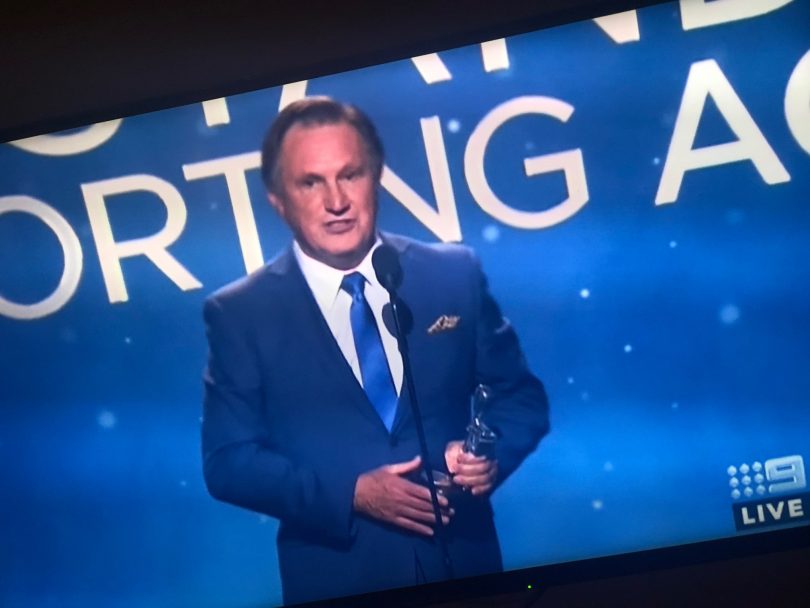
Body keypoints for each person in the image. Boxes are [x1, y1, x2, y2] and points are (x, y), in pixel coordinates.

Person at [201, 97, 549, 605]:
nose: (336, 200)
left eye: (351, 174)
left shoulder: (451, 275)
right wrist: (351, 494)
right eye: (311, 182)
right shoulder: (243, 313)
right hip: (340, 576)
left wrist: (485, 454)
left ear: (376, 176)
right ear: (278, 198)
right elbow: (228, 462)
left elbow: (521, 399)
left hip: (465, 567)